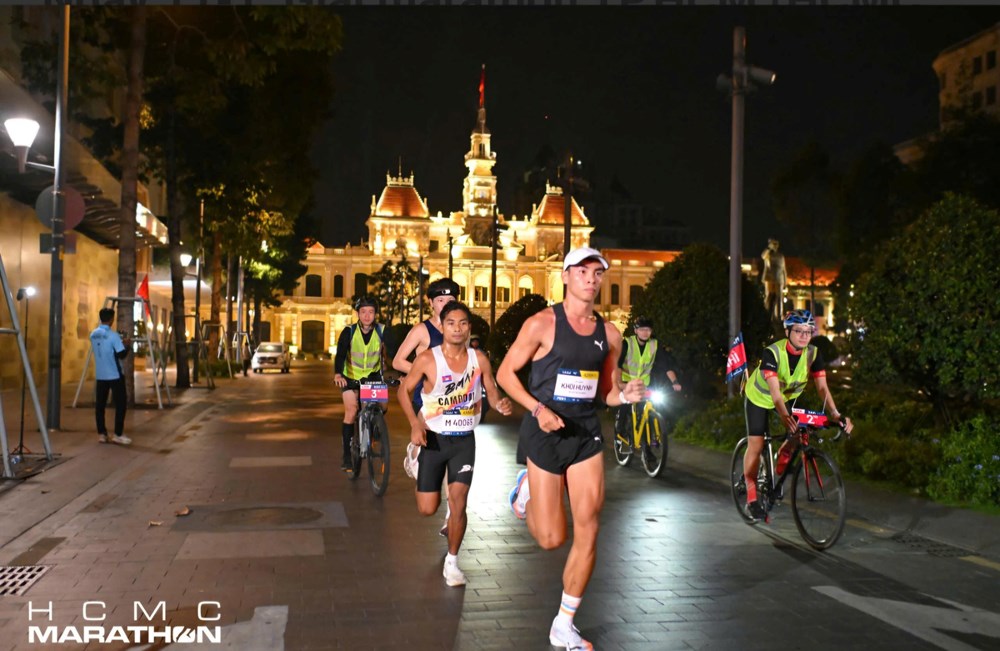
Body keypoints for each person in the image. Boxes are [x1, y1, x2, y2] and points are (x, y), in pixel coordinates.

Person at [497, 246, 645, 650]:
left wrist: (626, 395)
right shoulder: (542, 324)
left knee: (589, 527)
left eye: (598, 273)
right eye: (583, 271)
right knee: (550, 538)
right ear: (565, 276)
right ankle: (525, 490)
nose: (591, 279)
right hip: (544, 431)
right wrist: (537, 409)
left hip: (584, 433)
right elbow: (506, 374)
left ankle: (565, 623)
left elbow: (607, 394)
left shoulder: (610, 334)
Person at [398, 301, 512, 587]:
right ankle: (414, 456)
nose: (457, 328)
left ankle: (452, 563)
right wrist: (414, 424)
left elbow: (492, 390)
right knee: (427, 508)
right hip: (433, 440)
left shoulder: (479, 359)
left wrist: (500, 403)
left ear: (469, 327)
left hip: (464, 441)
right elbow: (403, 389)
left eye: (463, 323)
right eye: (451, 323)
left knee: (458, 504)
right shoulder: (427, 359)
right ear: (443, 326)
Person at [741, 309, 854, 521]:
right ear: (787, 331)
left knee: (801, 430)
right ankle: (751, 496)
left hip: (786, 398)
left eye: (808, 331)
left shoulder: (813, 354)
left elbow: (822, 388)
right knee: (756, 445)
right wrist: (785, 418)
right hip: (759, 397)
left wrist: (836, 414)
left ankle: (782, 460)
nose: (804, 335)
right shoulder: (772, 353)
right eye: (798, 331)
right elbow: (775, 394)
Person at [393, 277, 460, 534]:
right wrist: (423, 373)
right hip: (427, 400)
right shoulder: (423, 331)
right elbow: (399, 360)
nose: (444, 305)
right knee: (433, 459)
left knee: (454, 456)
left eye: (450, 301)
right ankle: (415, 453)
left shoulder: (458, 329)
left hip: (454, 401)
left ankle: (450, 516)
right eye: (440, 300)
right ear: (431, 303)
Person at [334, 295, 386, 470]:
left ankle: (374, 428)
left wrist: (401, 374)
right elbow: (340, 354)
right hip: (350, 378)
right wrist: (338, 374)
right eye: (363, 312)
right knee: (351, 410)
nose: (367, 316)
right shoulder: (349, 331)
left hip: (372, 378)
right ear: (358, 313)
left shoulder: (382, 330)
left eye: (371, 312)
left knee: (383, 406)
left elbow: (394, 351)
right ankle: (347, 456)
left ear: (375, 314)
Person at [616, 316, 681, 435]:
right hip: (627, 383)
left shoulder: (654, 345)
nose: (645, 333)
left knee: (644, 414)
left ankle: (646, 448)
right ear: (636, 331)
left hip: (643, 384)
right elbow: (618, 365)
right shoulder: (627, 343)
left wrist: (675, 382)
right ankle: (620, 428)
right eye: (642, 329)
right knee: (625, 404)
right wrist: (619, 383)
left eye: (648, 330)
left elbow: (666, 366)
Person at [90, 307, 132, 445]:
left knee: (100, 405)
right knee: (121, 404)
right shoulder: (113, 336)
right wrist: (127, 345)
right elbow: (121, 355)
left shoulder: (93, 334)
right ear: (111, 319)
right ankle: (118, 434)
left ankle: (102, 433)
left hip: (100, 374)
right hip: (115, 374)